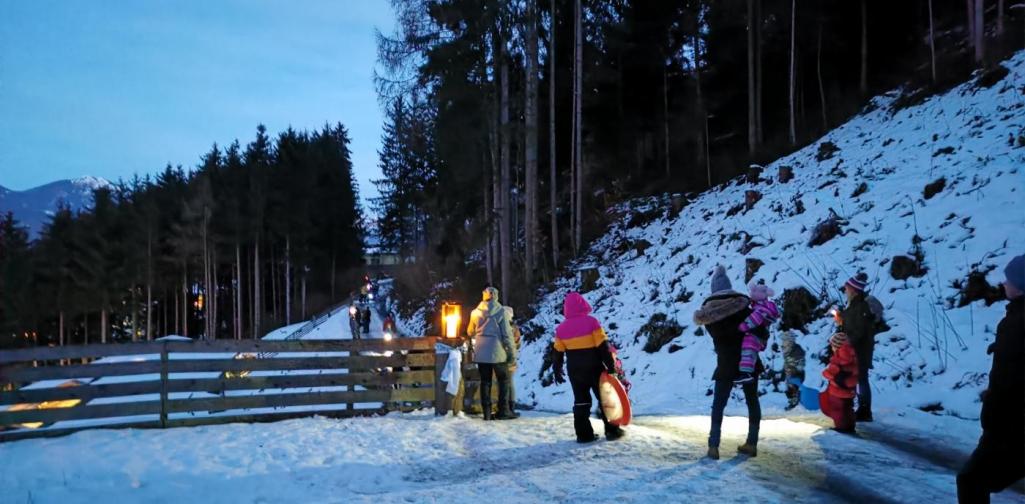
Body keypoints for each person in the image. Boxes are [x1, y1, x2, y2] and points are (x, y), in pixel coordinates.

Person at [957, 254, 1025, 504]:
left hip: (1011, 424)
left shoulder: (1016, 324)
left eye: (1008, 280)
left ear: (1020, 286)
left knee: (971, 480)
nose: (1003, 284)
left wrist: (992, 413)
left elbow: (1008, 379)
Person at [693, 265, 761, 459]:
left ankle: (713, 446)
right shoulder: (745, 310)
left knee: (719, 404)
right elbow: (760, 330)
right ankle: (752, 443)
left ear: (713, 291)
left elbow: (718, 337)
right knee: (752, 401)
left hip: (725, 363)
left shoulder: (709, 317)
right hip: (750, 360)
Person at [552, 292, 625, 442]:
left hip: (575, 370)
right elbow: (603, 347)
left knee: (581, 401)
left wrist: (557, 370)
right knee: (605, 399)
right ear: (583, 304)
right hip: (594, 367)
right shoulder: (592, 322)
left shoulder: (561, 329)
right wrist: (611, 367)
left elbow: (557, 353)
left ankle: (584, 435)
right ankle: (612, 431)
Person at [466, 286, 517, 420]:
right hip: (498, 351)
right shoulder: (501, 312)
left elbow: (470, 332)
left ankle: (487, 413)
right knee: (503, 380)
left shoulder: (475, 313)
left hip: (481, 351)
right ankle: (503, 410)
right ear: (496, 296)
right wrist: (512, 354)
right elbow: (507, 336)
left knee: (485, 381)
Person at [838, 272, 879, 422]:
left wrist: (848, 341)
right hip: (854, 350)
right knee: (855, 379)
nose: (846, 290)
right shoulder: (854, 306)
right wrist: (840, 318)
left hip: (860, 351)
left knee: (861, 379)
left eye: (847, 288)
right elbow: (851, 323)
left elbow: (860, 330)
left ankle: (865, 410)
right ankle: (855, 408)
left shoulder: (861, 307)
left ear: (854, 290)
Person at [735, 280, 780, 384]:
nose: (751, 293)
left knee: (748, 351)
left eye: (754, 291)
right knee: (750, 353)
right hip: (760, 336)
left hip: (753, 336)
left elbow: (754, 319)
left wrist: (742, 326)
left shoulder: (760, 309)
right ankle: (746, 372)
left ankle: (746, 373)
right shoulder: (764, 306)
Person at [820, 332, 858, 433]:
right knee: (848, 408)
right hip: (849, 388)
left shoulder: (838, 359)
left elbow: (832, 372)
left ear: (836, 346)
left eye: (832, 346)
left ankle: (841, 427)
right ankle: (850, 425)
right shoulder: (852, 355)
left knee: (837, 409)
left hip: (837, 390)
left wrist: (825, 373)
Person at [502, 305, 522, 419]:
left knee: (504, 382)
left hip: (501, 357)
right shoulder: (515, 328)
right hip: (512, 357)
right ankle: (511, 406)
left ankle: (505, 406)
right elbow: (518, 344)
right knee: (510, 382)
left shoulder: (500, 327)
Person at [781, 331, 806, 410]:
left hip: (796, 374)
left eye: (784, 341)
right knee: (789, 389)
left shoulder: (797, 350)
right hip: (789, 373)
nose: (783, 343)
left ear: (790, 341)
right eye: (783, 341)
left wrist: (798, 368)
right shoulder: (787, 349)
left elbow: (801, 361)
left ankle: (795, 403)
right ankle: (793, 401)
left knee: (794, 388)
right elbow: (787, 361)